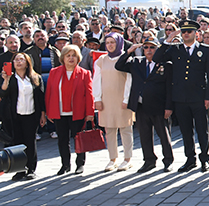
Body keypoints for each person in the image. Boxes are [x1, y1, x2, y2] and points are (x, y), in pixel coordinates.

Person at [152, 19, 209, 172]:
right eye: (183, 32)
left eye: (189, 31)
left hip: (199, 97)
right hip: (180, 97)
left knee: (202, 129)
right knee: (186, 130)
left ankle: (204, 158)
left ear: (196, 33)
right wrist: (168, 40)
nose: (186, 34)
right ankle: (190, 159)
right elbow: (157, 58)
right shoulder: (175, 49)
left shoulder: (206, 50)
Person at [116, 38, 174, 172]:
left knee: (164, 135)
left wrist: (169, 106)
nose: (149, 50)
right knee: (144, 135)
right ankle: (149, 161)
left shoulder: (165, 64)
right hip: (141, 106)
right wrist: (129, 51)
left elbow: (169, 87)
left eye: (152, 47)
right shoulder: (137, 62)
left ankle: (168, 161)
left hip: (159, 106)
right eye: (146, 47)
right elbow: (119, 65)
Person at [44, 45, 95, 175]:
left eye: (73, 55)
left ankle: (80, 164)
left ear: (78, 58)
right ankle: (65, 165)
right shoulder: (54, 72)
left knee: (79, 139)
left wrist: (90, 112)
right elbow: (49, 93)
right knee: (62, 140)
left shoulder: (84, 73)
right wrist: (49, 111)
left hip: (77, 112)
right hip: (60, 112)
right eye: (68, 55)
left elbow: (89, 94)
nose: (71, 58)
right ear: (63, 58)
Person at [94, 33, 136, 171]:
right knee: (109, 130)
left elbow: (129, 80)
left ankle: (128, 158)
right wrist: (98, 99)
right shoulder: (101, 60)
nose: (110, 45)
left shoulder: (126, 59)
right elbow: (96, 81)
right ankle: (112, 159)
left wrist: (126, 99)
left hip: (122, 99)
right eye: (108, 42)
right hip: (107, 100)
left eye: (113, 42)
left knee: (125, 129)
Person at [0, 53, 45, 180]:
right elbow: (2, 93)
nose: (18, 62)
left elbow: (40, 97)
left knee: (30, 142)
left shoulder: (35, 77)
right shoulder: (9, 77)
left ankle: (31, 169)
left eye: (21, 59)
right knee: (17, 142)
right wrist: (6, 80)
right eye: (16, 60)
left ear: (27, 63)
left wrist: (43, 114)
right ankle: (19, 170)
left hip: (31, 114)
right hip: (14, 115)